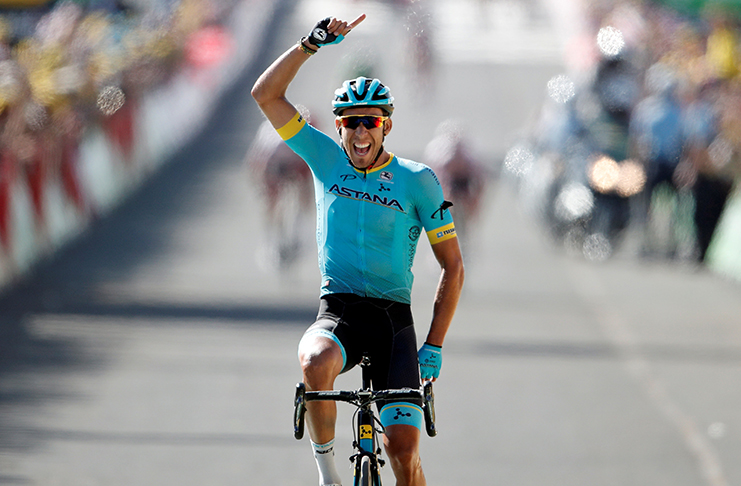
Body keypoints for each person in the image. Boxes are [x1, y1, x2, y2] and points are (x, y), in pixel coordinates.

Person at [251, 15, 464, 486]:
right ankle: (329, 477)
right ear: (339, 126)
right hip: (340, 312)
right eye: (350, 123)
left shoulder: (419, 181)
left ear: (386, 125)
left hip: (393, 324)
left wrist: (435, 343)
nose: (359, 133)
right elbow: (265, 95)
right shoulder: (323, 157)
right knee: (313, 362)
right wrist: (311, 44)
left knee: (404, 453)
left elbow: (452, 266)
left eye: (369, 122)